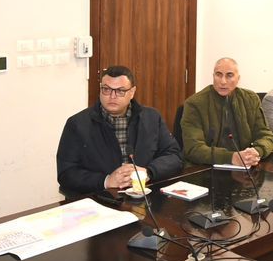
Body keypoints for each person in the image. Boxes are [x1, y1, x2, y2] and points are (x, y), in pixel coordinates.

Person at [56, 65, 183, 195]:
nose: (112, 96)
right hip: (100, 197)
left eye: (120, 91)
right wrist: (106, 181)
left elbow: (174, 156)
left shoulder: (152, 118)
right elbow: (66, 173)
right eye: (106, 89)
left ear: (132, 92)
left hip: (145, 194)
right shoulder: (77, 124)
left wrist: (148, 172)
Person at [180, 57, 273, 167]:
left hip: (244, 167)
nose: (223, 81)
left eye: (229, 75)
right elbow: (193, 148)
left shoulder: (251, 99)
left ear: (238, 79)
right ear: (213, 76)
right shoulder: (195, 104)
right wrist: (231, 157)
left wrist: (257, 151)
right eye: (218, 75)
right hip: (205, 168)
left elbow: (266, 136)